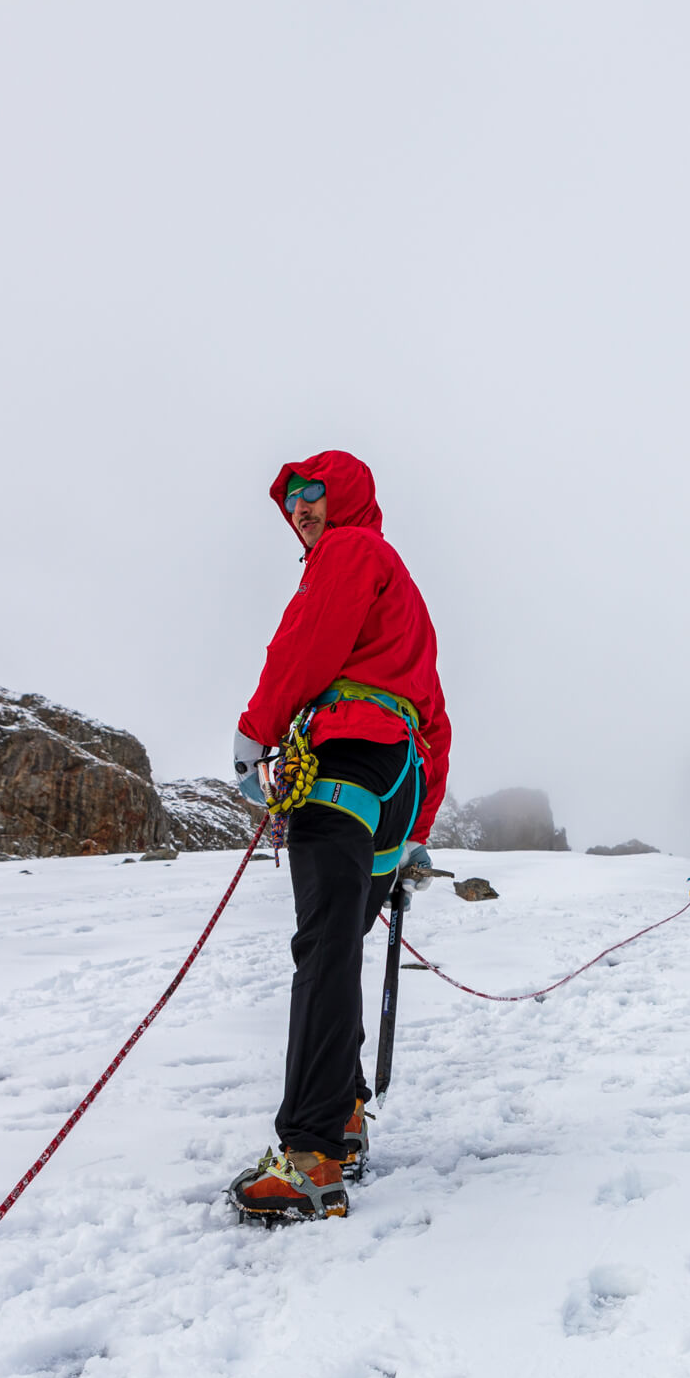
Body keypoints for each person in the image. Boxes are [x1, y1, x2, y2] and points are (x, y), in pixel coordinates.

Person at [228, 450, 450, 1220]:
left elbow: (307, 642)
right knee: (339, 944)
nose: (301, 508)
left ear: (347, 494)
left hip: (344, 758)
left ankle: (310, 1151)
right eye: (291, 500)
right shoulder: (403, 587)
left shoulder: (351, 552)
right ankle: (345, 1109)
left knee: (322, 948)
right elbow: (438, 716)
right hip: (395, 779)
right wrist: (417, 825)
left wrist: (256, 730)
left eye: (313, 492)